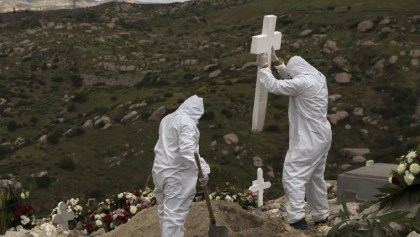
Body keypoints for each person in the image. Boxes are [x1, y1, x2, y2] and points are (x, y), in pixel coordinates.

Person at [256, 49, 332, 230]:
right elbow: (291, 78)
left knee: (293, 176)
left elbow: (275, 85)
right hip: (323, 136)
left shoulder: (303, 83)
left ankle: (296, 219)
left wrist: (263, 66)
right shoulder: (318, 77)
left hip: (309, 140)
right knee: (315, 178)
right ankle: (321, 215)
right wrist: (276, 62)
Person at [152, 95, 211, 237]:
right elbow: (187, 150)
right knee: (174, 216)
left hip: (160, 171)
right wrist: (204, 169)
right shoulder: (187, 122)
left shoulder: (167, 119)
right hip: (177, 174)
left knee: (165, 212)